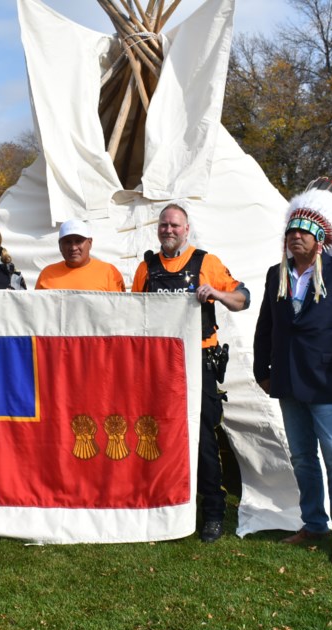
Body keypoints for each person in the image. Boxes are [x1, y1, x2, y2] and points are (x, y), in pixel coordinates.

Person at [253, 178, 332, 565]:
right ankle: (313, 523)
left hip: (328, 380)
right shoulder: (278, 274)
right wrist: (262, 370)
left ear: (319, 239)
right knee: (303, 457)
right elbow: (266, 327)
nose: (295, 238)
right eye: (290, 232)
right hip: (288, 379)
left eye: (303, 233)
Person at [131, 203, 249, 543]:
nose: (169, 230)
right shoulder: (147, 268)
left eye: (175, 225)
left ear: (186, 228)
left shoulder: (205, 262)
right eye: (164, 225)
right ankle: (162, 507)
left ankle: (213, 511)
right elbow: (133, 313)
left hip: (199, 363)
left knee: (203, 441)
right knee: (156, 436)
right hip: (157, 367)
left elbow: (243, 298)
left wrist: (217, 293)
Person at [35, 220, 125, 291]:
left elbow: (118, 311)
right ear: (60, 245)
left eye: (78, 241)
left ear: (90, 243)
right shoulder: (47, 274)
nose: (73, 247)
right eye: (67, 242)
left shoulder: (109, 272)